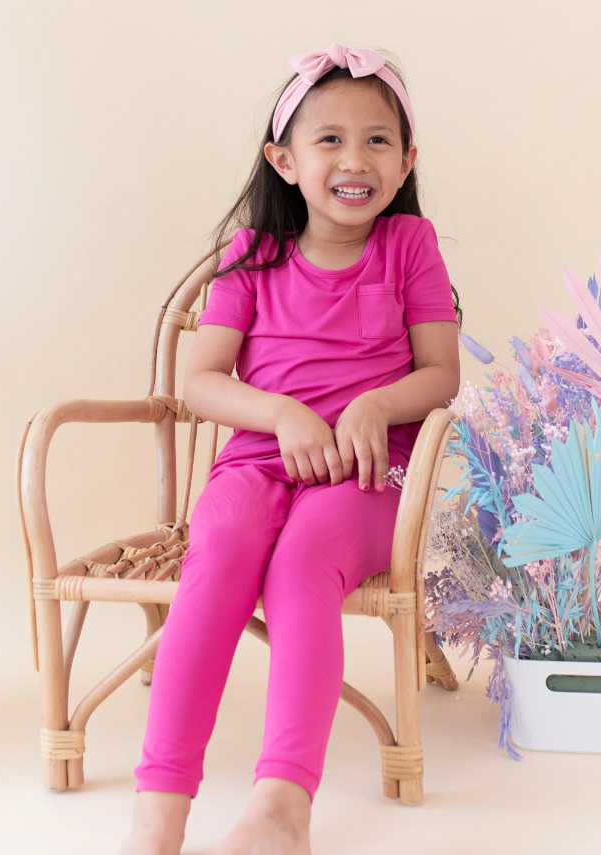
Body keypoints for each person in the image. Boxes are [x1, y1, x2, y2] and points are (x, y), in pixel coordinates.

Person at [118, 43, 462, 855]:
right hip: (258, 462)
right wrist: (280, 414)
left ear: (407, 160)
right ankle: (158, 811)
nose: (355, 159)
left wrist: (375, 402)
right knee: (221, 551)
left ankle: (281, 808)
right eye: (330, 139)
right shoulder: (251, 255)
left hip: (369, 475)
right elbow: (202, 380)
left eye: (378, 140)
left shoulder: (409, 245)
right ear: (285, 160)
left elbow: (441, 373)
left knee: (303, 561)